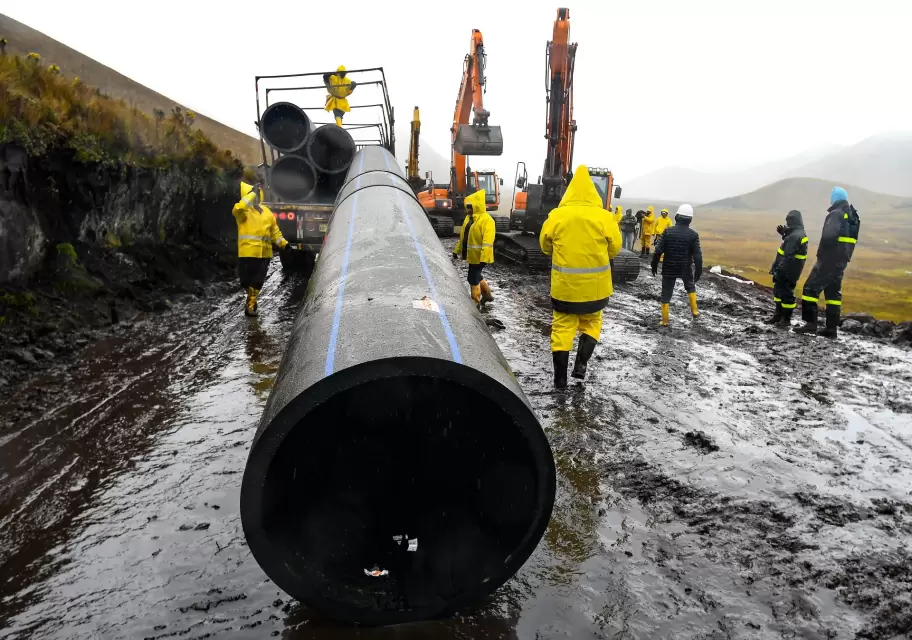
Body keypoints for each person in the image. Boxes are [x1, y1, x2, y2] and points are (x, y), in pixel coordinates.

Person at [540, 166, 622, 388]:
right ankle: (581, 366)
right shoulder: (605, 217)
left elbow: (545, 246)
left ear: (569, 192)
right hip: (596, 292)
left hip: (564, 291)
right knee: (592, 322)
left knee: (562, 329)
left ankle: (560, 380)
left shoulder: (556, 216)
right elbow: (615, 248)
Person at [795, 186, 860, 338]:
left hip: (829, 260)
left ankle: (810, 324)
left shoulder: (836, 214)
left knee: (810, 288)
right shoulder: (851, 216)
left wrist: (823, 256)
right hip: (841, 261)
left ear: (835, 198)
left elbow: (829, 236)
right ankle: (831, 329)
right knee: (833, 294)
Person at [232, 181, 291, 317]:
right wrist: (252, 193)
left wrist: (284, 244)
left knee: (257, 281)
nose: (256, 196)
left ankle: (251, 305)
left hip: (264, 254)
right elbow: (239, 208)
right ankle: (251, 296)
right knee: (245, 281)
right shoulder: (243, 212)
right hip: (247, 253)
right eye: (252, 194)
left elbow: (275, 233)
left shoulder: (267, 212)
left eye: (257, 194)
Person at [651, 204, 702, 326]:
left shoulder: (668, 232)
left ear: (677, 217)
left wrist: (654, 265)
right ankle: (694, 311)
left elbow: (658, 251)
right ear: (690, 219)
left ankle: (664, 321)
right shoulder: (693, 235)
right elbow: (698, 256)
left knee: (666, 293)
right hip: (685, 268)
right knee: (690, 286)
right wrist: (698, 271)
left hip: (669, 267)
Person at [765, 210, 808, 327]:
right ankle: (778, 316)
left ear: (793, 221)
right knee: (779, 291)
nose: (787, 223)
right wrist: (785, 234)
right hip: (788, 269)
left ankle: (785, 320)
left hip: (788, 270)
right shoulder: (796, 233)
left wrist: (779, 271)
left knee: (786, 293)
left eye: (789, 220)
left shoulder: (795, 236)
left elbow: (788, 256)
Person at [453, 189, 495, 308]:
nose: (469, 210)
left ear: (477, 206)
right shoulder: (469, 219)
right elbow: (463, 237)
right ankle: (487, 294)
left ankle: (475, 303)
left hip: (480, 257)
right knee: (476, 275)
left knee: (472, 277)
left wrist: (484, 258)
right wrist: (456, 250)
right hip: (471, 255)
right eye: (468, 207)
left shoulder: (487, 221)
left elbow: (488, 242)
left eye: (471, 207)